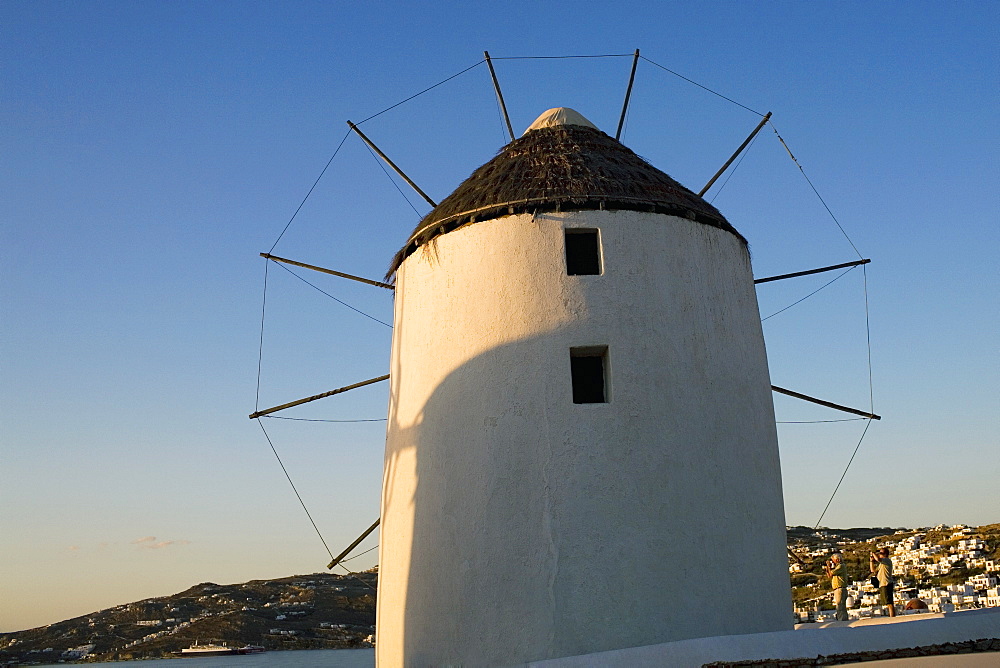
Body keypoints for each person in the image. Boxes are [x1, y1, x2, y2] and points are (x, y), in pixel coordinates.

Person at [870, 547, 896, 617]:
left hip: (886, 583)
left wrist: (873, 553)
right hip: (882, 583)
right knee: (887, 602)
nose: (879, 554)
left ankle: (892, 616)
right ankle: (891, 615)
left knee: (889, 602)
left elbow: (878, 559)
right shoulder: (882, 563)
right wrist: (871, 561)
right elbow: (873, 570)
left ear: (885, 554)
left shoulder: (887, 560)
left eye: (881, 553)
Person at [824, 552, 849, 621]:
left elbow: (831, 573)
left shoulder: (841, 566)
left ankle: (842, 620)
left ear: (837, 559)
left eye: (833, 560)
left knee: (840, 605)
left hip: (840, 588)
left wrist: (829, 566)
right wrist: (827, 569)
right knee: (840, 605)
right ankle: (841, 618)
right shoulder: (838, 567)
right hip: (837, 589)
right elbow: (829, 575)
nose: (833, 562)